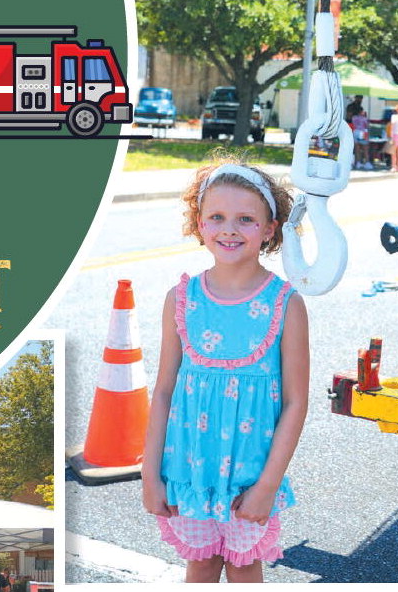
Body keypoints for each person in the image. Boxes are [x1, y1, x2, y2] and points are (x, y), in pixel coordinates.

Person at [142, 157, 310, 584]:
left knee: (243, 566)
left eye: (246, 219)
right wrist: (150, 476)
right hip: (188, 474)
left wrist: (268, 486)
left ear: (270, 229)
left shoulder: (285, 304)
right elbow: (162, 392)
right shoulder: (181, 299)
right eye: (216, 216)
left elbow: (295, 403)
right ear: (199, 223)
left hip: (248, 478)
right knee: (199, 566)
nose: (229, 229)